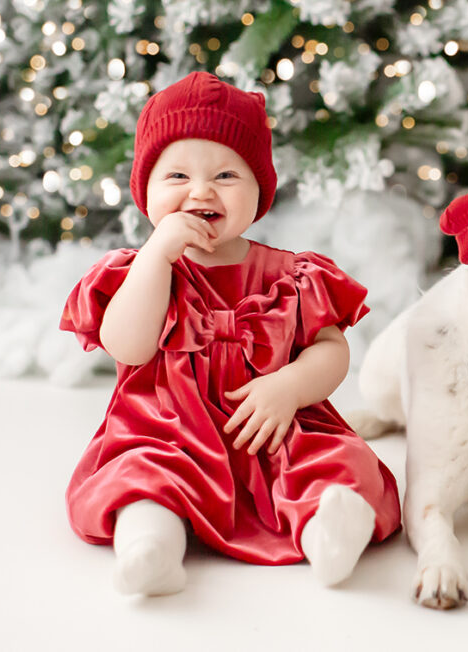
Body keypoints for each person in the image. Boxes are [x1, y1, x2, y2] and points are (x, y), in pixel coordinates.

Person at [59, 71, 400, 595]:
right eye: (176, 177)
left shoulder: (289, 275)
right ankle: (151, 548)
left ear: (258, 191)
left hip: (273, 429)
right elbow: (128, 346)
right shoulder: (141, 271)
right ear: (144, 191)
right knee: (142, 476)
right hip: (166, 431)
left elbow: (332, 350)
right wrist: (156, 256)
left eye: (225, 176)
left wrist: (289, 387)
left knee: (341, 462)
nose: (200, 191)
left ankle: (331, 532)